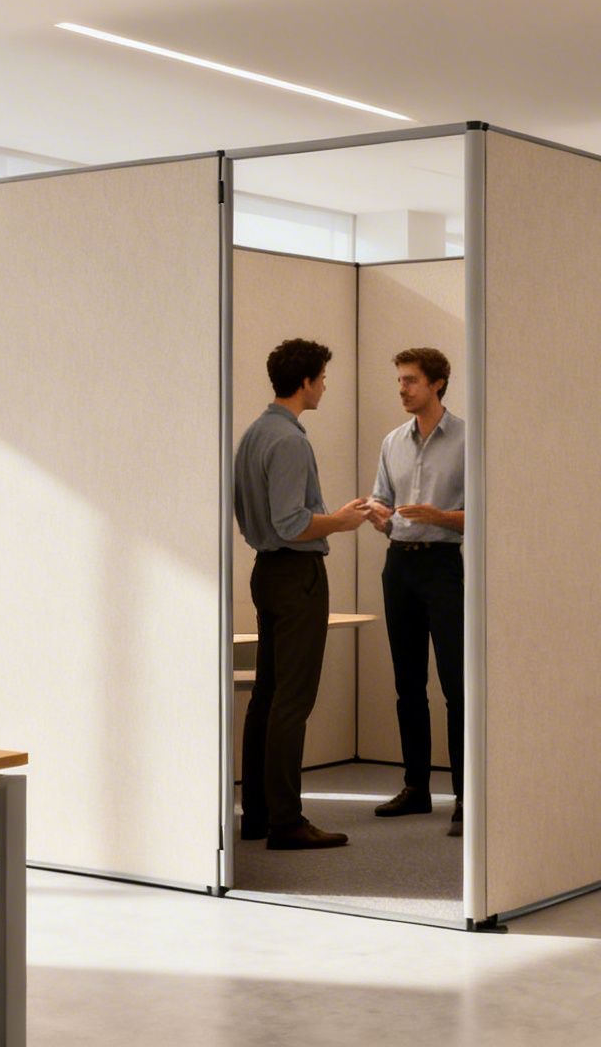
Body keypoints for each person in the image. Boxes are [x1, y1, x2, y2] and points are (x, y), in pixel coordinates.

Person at [233, 338, 372, 851]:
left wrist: (334, 513)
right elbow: (292, 523)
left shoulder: (253, 434)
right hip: (296, 576)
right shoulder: (289, 440)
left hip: (267, 572)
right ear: (308, 381)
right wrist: (341, 521)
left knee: (267, 697)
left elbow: (266, 518)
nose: (325, 387)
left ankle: (260, 815)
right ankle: (287, 822)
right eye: (323, 378)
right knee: (292, 700)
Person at [364, 347, 466, 837]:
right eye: (400, 380)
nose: (402, 389)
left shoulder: (470, 439)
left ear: (438, 383)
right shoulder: (392, 442)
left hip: (444, 567)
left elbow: (489, 514)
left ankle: (468, 797)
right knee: (408, 684)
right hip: (398, 566)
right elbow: (382, 500)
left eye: (411, 381)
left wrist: (440, 517)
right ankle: (416, 788)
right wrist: (379, 515)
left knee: (456, 685)